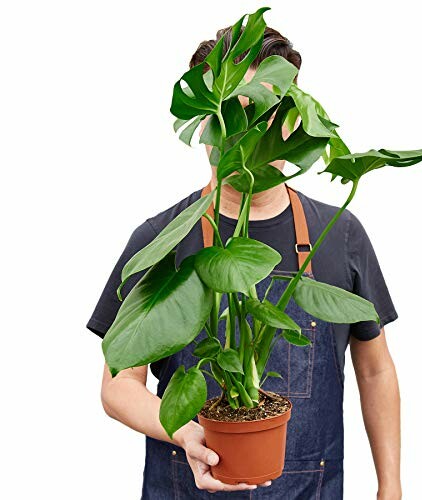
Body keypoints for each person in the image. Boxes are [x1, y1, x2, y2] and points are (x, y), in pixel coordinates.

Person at [87, 26, 402, 500]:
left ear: (295, 119)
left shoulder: (339, 232)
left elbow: (375, 370)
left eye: (266, 113)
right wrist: (186, 433)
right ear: (205, 122)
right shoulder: (160, 240)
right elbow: (118, 384)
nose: (249, 132)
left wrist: (390, 486)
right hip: (185, 486)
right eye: (231, 112)